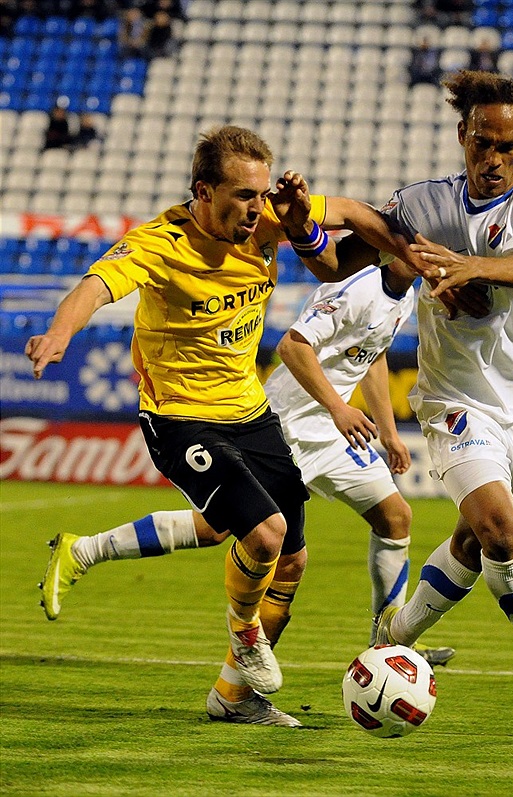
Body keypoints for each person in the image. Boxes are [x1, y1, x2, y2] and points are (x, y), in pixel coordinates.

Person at [27, 125, 369, 728]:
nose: (254, 209)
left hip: (250, 411)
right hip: (181, 418)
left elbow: (345, 218)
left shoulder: (267, 219)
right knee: (262, 536)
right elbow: (95, 287)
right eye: (242, 196)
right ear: (202, 191)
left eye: (261, 195)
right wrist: (60, 332)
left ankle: (234, 698)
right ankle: (243, 632)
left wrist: (386, 234)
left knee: (288, 560)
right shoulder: (160, 244)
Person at [335, 70, 513, 729]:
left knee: (468, 542)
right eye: (481, 144)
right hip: (456, 398)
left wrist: (467, 266)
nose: (493, 160)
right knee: (500, 530)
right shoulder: (426, 205)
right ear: (462, 135)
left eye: (507, 148)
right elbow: (343, 254)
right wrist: (301, 224)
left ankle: (392, 634)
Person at [264, 262, 454, 666]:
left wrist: (388, 433)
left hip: (335, 434)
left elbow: (374, 356)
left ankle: (387, 643)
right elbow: (290, 346)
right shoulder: (354, 288)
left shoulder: (405, 293)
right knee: (218, 530)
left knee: (396, 518)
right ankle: (95, 549)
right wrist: (339, 408)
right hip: (288, 426)